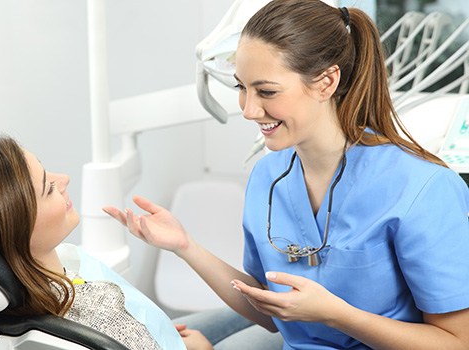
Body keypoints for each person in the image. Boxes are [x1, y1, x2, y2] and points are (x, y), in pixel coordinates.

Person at [103, 0, 469, 349]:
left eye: (266, 91)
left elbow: (457, 342)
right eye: (241, 88)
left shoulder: (422, 188)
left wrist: (339, 316)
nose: (248, 110)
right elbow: (274, 312)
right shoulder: (268, 176)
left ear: (326, 82)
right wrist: (185, 247)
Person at [0, 136, 210, 350]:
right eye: (48, 187)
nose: (64, 179)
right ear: (18, 232)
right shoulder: (99, 315)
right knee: (254, 321)